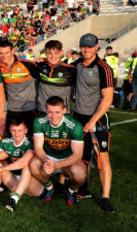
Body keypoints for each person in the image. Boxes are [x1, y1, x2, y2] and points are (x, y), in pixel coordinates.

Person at [72, 33, 115, 212]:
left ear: (97, 47)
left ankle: (105, 198)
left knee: (102, 157)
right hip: (78, 116)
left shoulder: (103, 67)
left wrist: (92, 121)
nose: (86, 49)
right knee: (82, 156)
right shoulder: (76, 66)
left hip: (98, 119)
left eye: (90, 46)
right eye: (84, 46)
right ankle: (83, 189)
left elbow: (108, 99)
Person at [30, 96, 86, 208]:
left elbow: (77, 156)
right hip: (48, 157)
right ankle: (50, 187)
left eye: (57, 112)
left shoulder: (75, 126)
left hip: (67, 160)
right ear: (46, 111)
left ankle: (72, 191)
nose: (53, 116)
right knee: (33, 166)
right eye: (50, 112)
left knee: (80, 175)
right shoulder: (39, 121)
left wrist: (56, 165)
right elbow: (38, 147)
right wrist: (46, 161)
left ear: (64, 110)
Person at [0, 117, 44, 212]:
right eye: (14, 130)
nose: (17, 134)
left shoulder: (30, 142)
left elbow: (23, 162)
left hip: (32, 185)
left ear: (26, 130)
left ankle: (14, 199)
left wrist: (3, 169)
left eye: (20, 130)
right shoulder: (7, 141)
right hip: (15, 182)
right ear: (10, 130)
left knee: (26, 167)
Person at [0, 40, 40, 135]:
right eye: (1, 53)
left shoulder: (28, 64)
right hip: (12, 110)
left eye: (7, 53)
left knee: (32, 141)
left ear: (13, 51)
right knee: (12, 140)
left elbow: (43, 81)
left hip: (30, 109)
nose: (4, 56)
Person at [36, 40, 76, 114]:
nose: (53, 56)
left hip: (62, 113)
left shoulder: (70, 70)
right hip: (42, 111)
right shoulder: (40, 66)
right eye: (49, 53)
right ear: (45, 53)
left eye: (56, 53)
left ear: (61, 52)